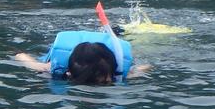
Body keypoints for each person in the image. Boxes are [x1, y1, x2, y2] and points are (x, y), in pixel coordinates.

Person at [14, 30, 150, 85]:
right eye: (100, 81)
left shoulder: (117, 73)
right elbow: (21, 57)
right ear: (70, 73)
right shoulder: (52, 68)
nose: (108, 81)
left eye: (106, 81)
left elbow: (146, 67)